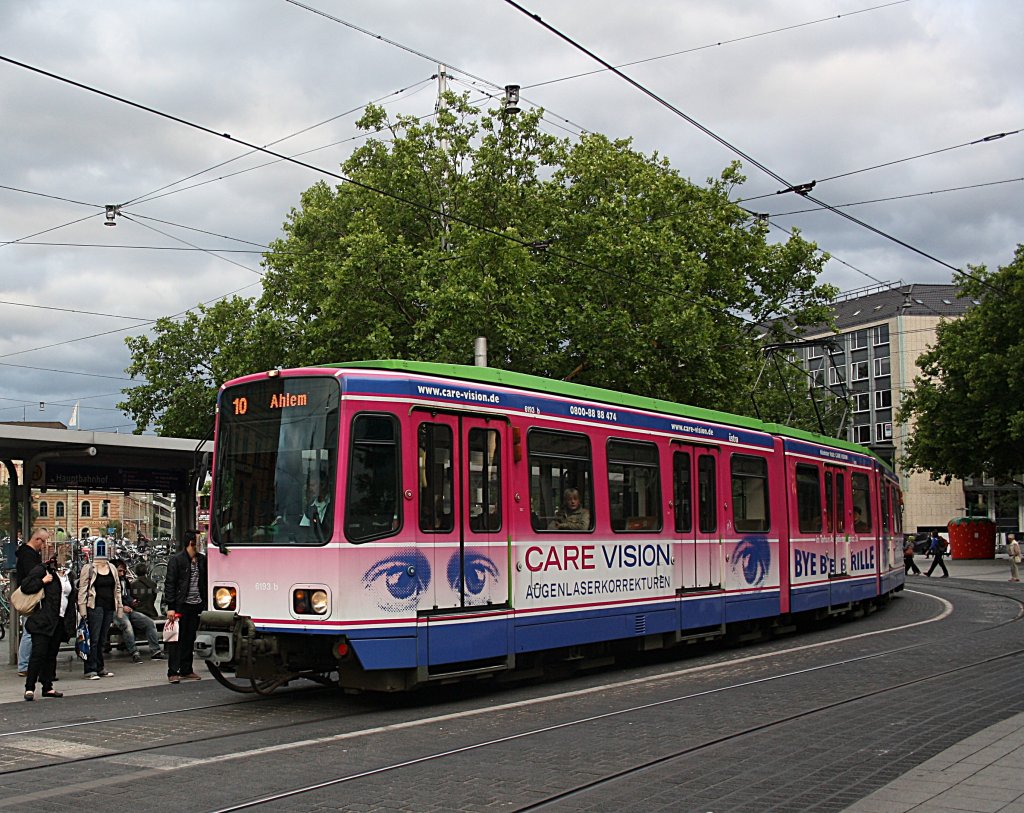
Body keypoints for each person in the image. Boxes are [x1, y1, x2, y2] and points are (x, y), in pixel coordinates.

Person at [22, 543, 76, 700]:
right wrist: (43, 581)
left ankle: (47, 686)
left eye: (68, 557)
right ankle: (29, 687)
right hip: (43, 620)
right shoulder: (43, 570)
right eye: (63, 556)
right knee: (38, 654)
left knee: (51, 654)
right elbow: (26, 586)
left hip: (59, 621)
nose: (65, 560)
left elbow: (69, 598)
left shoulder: (69, 575)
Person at [163, 532, 207, 684]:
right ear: (191, 543)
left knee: (189, 638)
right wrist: (171, 606)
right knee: (176, 639)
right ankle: (173, 671)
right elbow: (170, 584)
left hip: (196, 604)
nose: (202, 543)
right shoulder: (176, 560)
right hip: (181, 605)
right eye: (199, 541)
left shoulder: (202, 560)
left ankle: (186, 669)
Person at [78, 556, 124, 679]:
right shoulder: (89, 568)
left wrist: (119, 606)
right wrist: (82, 609)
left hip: (109, 606)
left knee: (102, 638)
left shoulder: (112, 567)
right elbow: (83, 589)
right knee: (94, 639)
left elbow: (117, 588)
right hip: (95, 606)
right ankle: (90, 669)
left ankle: (100, 667)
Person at [110, 559, 164, 661]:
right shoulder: (110, 582)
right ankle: (134, 652)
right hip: (117, 610)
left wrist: (131, 602)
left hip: (129, 609)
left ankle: (155, 650)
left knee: (149, 623)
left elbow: (127, 596)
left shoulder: (125, 581)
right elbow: (109, 599)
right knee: (127, 626)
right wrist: (121, 606)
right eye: (120, 571)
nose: (122, 573)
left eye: (123, 571)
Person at [15, 529, 48, 676]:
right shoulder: (28, 555)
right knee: (29, 631)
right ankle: (24, 665)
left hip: (30, 594)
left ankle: (26, 664)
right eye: (44, 542)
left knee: (29, 630)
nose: (44, 545)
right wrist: (44, 579)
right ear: (37, 540)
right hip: (30, 596)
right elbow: (32, 576)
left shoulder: (26, 553)